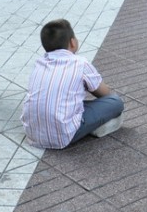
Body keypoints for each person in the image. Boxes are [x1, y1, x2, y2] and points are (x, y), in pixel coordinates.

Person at [21, 19, 124, 149]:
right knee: (115, 102)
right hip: (63, 136)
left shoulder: (39, 63)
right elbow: (104, 94)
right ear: (72, 42)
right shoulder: (80, 63)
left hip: (33, 134)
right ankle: (88, 127)